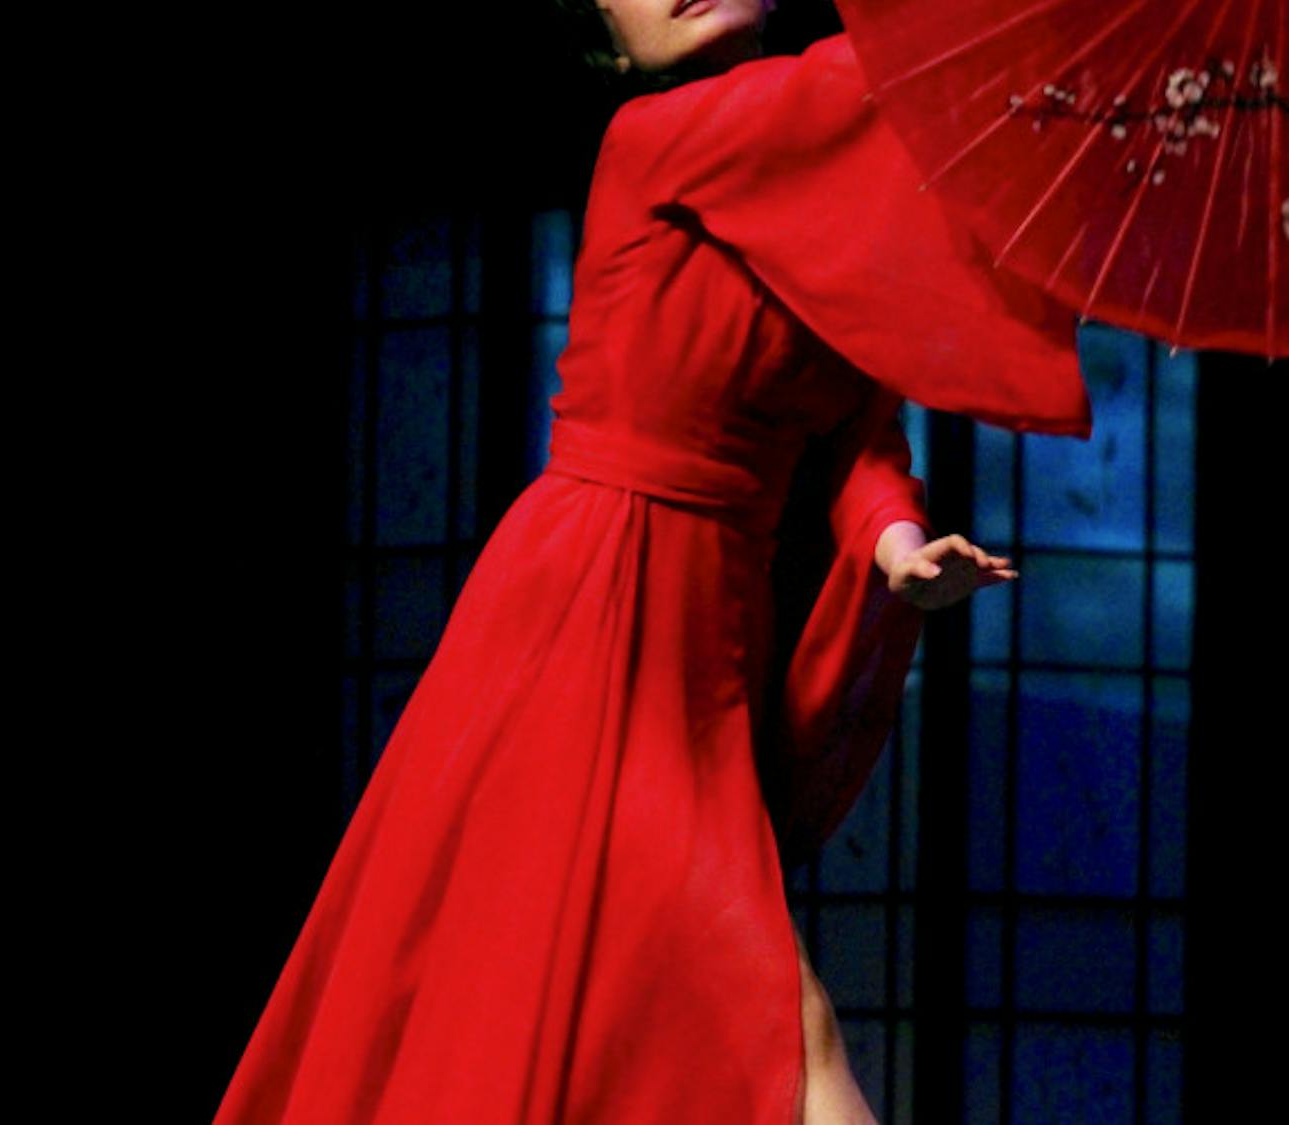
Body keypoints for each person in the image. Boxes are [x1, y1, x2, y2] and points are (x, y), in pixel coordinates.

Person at [213, 2, 1091, 1122]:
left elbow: (860, 431)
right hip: (583, 623)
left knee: (669, 1026)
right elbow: (859, 89)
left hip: (702, 663)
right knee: (780, 1021)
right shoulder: (661, 139)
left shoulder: (814, 180)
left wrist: (900, 549)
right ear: (601, 39)